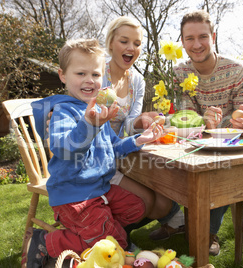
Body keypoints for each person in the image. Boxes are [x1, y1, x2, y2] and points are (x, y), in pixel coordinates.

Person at [21, 38, 163, 268]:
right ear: (63, 76)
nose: (89, 80)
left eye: (96, 75)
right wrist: (89, 123)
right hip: (75, 196)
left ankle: (101, 233)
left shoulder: (98, 110)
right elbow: (63, 148)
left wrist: (138, 139)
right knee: (115, 245)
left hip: (99, 189)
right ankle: (47, 242)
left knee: (136, 205)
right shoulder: (63, 113)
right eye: (80, 74)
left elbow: (114, 147)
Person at [152, 10, 243, 255]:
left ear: (213, 36)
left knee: (216, 171)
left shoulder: (237, 70)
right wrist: (202, 122)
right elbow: (184, 116)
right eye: (189, 38)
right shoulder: (179, 73)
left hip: (234, 146)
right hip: (196, 142)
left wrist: (241, 121)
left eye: (203, 36)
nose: (197, 44)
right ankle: (177, 221)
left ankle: (206, 233)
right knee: (158, 165)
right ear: (182, 42)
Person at [102, 16, 186, 240]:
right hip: (99, 153)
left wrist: (141, 121)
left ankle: (114, 229)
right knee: (147, 200)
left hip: (122, 150)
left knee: (164, 201)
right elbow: (95, 122)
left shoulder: (137, 80)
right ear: (111, 43)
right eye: (124, 41)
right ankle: (106, 234)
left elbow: (129, 124)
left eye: (137, 44)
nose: (131, 48)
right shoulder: (97, 74)